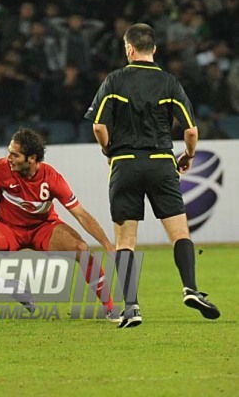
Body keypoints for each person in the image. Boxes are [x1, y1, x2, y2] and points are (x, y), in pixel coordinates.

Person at [85, 22, 220, 328]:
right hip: (161, 162)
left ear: (129, 49)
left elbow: (97, 125)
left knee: (126, 241)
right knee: (180, 233)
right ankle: (190, 288)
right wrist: (188, 156)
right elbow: (190, 130)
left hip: (126, 164)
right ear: (154, 49)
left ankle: (131, 306)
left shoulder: (115, 80)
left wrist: (109, 151)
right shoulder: (170, 83)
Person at [0, 128, 116, 319]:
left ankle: (110, 308)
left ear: (32, 158)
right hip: (7, 229)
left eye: (14, 155)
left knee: (82, 249)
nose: (9, 158)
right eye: (9, 152)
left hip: (42, 229)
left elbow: (81, 215)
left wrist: (107, 244)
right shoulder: (0, 168)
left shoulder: (52, 178)